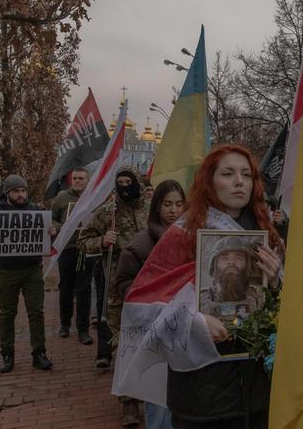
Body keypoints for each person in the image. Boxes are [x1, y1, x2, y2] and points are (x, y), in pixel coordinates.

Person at [112, 144, 283, 429]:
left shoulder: (267, 236)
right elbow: (139, 305)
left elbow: (283, 309)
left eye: (246, 175)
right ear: (209, 181)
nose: (239, 181)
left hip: (257, 389)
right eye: (228, 174)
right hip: (202, 392)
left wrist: (277, 280)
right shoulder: (182, 235)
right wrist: (193, 320)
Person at [77, 165, 149, 427]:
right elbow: (83, 239)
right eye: (120, 182)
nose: (125, 186)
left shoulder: (152, 208)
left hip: (152, 287)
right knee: (124, 346)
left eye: (130, 181)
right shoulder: (108, 212)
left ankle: (153, 396)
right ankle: (128, 403)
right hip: (119, 290)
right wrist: (102, 241)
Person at [113, 179, 186, 429]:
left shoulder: (193, 239)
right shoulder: (141, 244)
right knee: (158, 398)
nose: (174, 211)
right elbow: (123, 282)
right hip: (152, 330)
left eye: (179, 204)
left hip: (185, 330)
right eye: (167, 204)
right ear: (156, 207)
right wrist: (151, 301)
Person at [0, 174, 55, 373]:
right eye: (16, 191)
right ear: (7, 192)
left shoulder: (37, 211)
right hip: (6, 271)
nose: (20, 195)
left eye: (23, 190)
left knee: (36, 312)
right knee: (7, 314)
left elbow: (50, 239)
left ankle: (39, 353)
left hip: (32, 270)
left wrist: (52, 231)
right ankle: (7, 354)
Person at [50, 167, 93, 345]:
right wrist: (59, 228)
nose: (77, 181)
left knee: (84, 289)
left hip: (86, 249)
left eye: (81, 178)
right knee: (66, 287)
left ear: (87, 180)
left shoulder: (94, 197)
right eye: (75, 178)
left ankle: (83, 329)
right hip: (66, 249)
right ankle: (65, 325)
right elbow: (52, 219)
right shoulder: (61, 198)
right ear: (71, 180)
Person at [199, 236, 265, 320]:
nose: (231, 262)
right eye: (224, 258)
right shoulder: (200, 298)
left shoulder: (259, 298)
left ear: (248, 266)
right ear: (214, 267)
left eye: (238, 258)